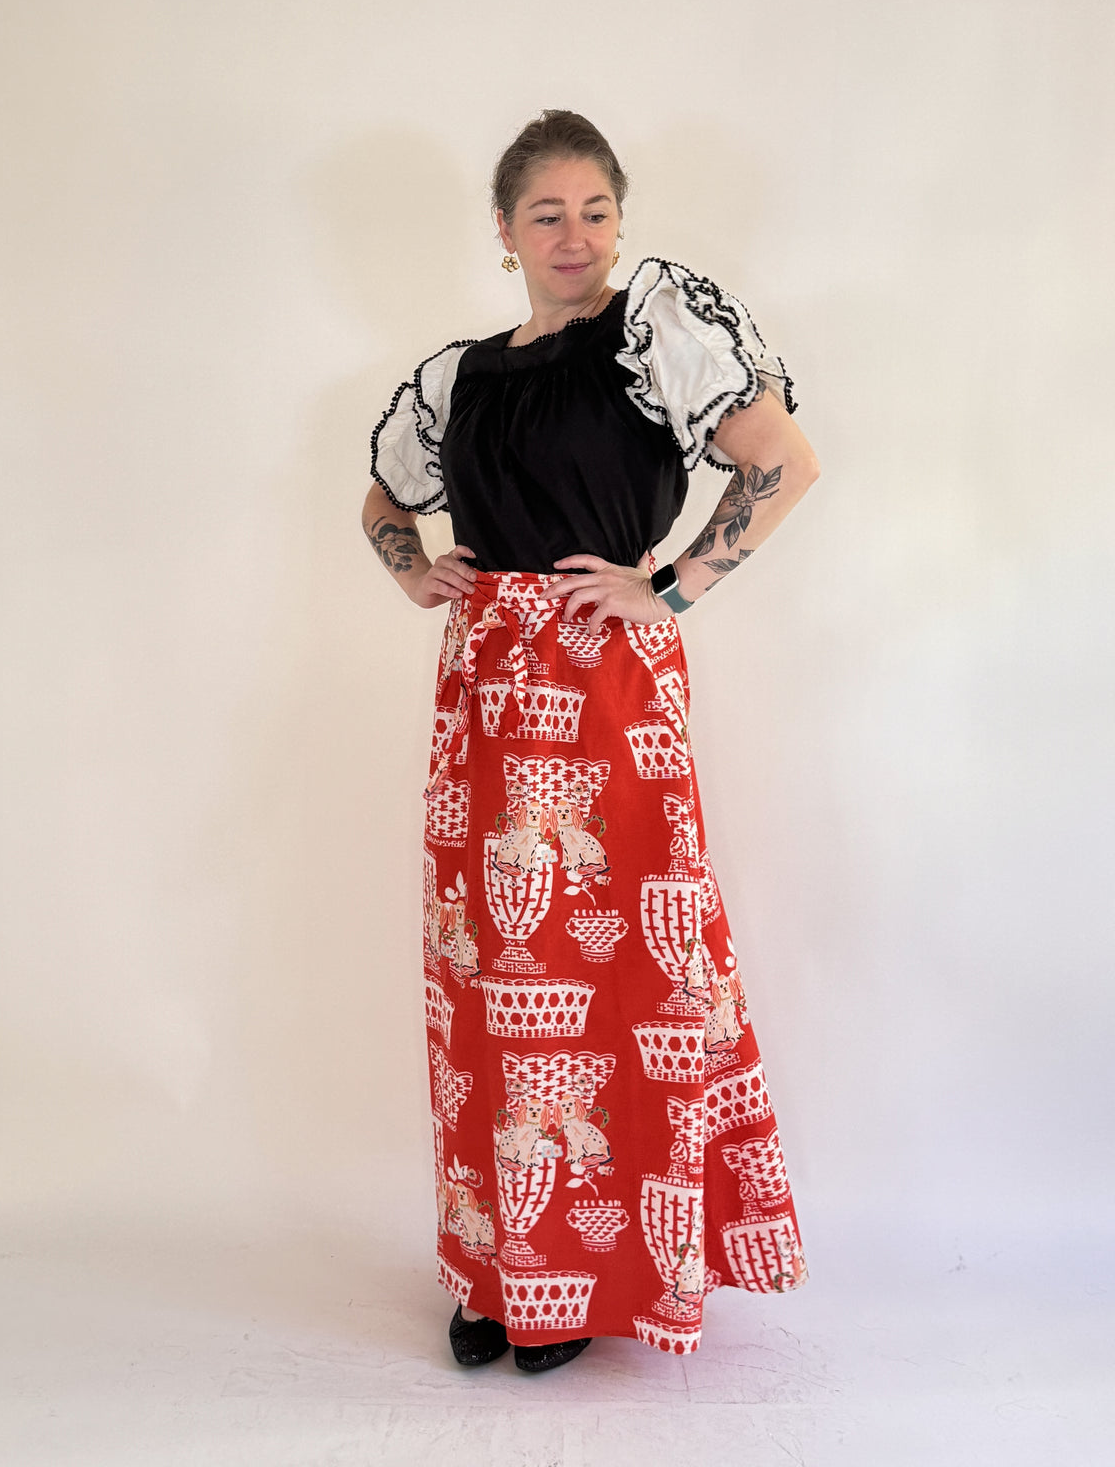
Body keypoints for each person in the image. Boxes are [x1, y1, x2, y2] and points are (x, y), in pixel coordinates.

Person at [363, 110, 821, 1373]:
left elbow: (783, 460)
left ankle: (586, 1279)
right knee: (487, 982)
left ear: (621, 219)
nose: (575, 235)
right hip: (485, 700)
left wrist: (666, 588)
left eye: (596, 210)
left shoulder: (655, 331)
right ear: (504, 233)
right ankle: (499, 1269)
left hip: (607, 683)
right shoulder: (458, 376)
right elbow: (384, 504)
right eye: (546, 214)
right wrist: (420, 574)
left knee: (615, 979)